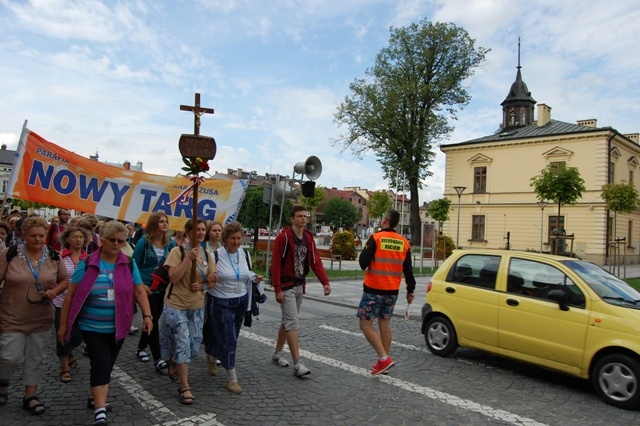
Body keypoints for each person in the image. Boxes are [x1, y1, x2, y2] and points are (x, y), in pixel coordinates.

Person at [57, 221, 153, 426]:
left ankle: (95, 396)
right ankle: (100, 410)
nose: (117, 244)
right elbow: (70, 296)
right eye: (112, 240)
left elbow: (138, 291)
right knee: (100, 362)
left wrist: (147, 315)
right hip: (91, 327)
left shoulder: (128, 263)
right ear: (103, 239)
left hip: (119, 326)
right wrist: (63, 325)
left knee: (106, 364)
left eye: (121, 240)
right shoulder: (88, 263)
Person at [0, 216, 70, 415]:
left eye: (41, 235)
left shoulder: (53, 256)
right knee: (9, 356)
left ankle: (30, 395)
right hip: (12, 315)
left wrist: (55, 291)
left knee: (36, 358)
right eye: (33, 236)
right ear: (23, 236)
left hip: (41, 316)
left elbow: (65, 280)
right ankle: (3, 381)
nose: (38, 239)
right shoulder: (10, 254)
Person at [160, 219, 215, 405]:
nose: (200, 232)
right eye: (196, 229)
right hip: (176, 304)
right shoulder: (178, 252)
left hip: (197, 306)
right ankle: (185, 387)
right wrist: (188, 259)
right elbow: (173, 277)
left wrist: (203, 283)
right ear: (188, 232)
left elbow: (212, 282)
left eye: (202, 229)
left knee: (193, 345)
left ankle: (175, 361)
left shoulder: (207, 255)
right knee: (183, 342)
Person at [270, 206, 331, 376]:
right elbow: (275, 264)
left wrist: (324, 282)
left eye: (305, 216)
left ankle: (277, 353)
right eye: (300, 216)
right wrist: (277, 289)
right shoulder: (284, 238)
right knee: (292, 322)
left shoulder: (308, 238)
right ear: (292, 219)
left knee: (287, 321)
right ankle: (298, 363)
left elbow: (315, 261)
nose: (303, 219)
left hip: (299, 285)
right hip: (285, 286)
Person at [357, 209, 416, 375]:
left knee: (365, 324)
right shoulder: (404, 242)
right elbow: (408, 270)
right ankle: (384, 362)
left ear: (384, 221)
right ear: (397, 223)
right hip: (392, 292)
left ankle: (384, 358)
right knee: (384, 324)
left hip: (373, 290)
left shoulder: (376, 238)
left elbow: (362, 262)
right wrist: (410, 290)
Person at [207, 222, 263, 394]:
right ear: (225, 239)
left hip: (240, 302)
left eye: (239, 238)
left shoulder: (244, 254)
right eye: (233, 238)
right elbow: (208, 277)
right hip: (221, 302)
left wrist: (255, 277)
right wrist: (209, 277)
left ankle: (212, 354)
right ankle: (232, 379)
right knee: (228, 338)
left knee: (231, 337)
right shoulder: (215, 255)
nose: (237, 242)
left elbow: (246, 274)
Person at [133, 212, 175, 372]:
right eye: (161, 222)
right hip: (146, 287)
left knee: (153, 317)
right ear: (153, 224)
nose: (165, 224)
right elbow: (134, 264)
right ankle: (158, 358)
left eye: (166, 221)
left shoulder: (169, 242)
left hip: (161, 287)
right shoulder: (144, 242)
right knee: (152, 319)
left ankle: (141, 347)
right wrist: (140, 284)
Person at [54, 226, 89, 384]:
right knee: (63, 333)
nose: (78, 240)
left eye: (81, 237)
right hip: (61, 302)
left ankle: (69, 351)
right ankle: (64, 369)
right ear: (68, 239)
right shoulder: (60, 257)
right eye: (74, 237)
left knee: (79, 334)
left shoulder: (88, 259)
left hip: (81, 304)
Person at [203, 221, 223, 374]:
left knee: (215, 323)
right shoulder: (204, 249)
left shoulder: (224, 249)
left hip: (218, 291)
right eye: (214, 230)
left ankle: (213, 354)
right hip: (203, 290)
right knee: (205, 322)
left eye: (219, 230)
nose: (217, 233)